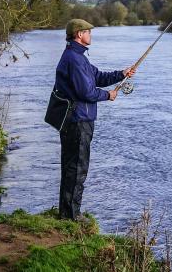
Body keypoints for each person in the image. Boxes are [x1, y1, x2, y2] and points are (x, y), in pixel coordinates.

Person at [45, 18, 135, 220]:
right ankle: (72, 216)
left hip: (76, 120)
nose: (90, 35)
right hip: (78, 121)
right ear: (79, 34)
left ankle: (67, 213)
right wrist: (107, 95)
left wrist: (122, 74)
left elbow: (98, 76)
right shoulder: (75, 59)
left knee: (71, 166)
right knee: (77, 168)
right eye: (88, 32)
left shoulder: (77, 57)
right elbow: (86, 92)